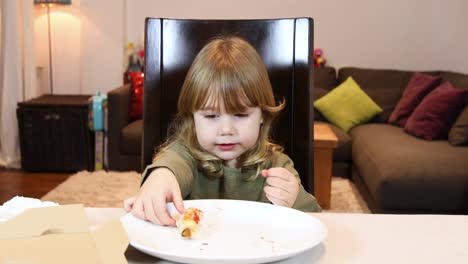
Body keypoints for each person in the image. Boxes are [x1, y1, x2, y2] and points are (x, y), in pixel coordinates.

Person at [124, 36, 321, 226]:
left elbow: (315, 221)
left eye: (241, 115)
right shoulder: (185, 155)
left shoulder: (277, 165)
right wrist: (161, 175)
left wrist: (295, 199)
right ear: (193, 116)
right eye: (211, 116)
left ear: (262, 115)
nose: (226, 130)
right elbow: (172, 164)